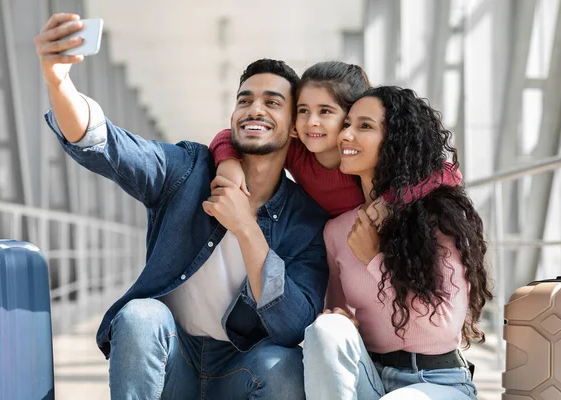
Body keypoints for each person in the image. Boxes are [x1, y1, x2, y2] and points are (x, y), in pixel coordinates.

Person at [34, 13, 329, 399]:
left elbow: (291, 327)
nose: (255, 109)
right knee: (140, 317)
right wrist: (58, 82)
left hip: (240, 368)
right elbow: (107, 145)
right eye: (246, 100)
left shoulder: (306, 220)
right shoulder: (188, 170)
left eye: (272, 102)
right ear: (233, 116)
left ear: (293, 126)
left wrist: (246, 228)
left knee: (284, 365)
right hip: (173, 355)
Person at [302, 86, 492, 400]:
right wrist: (337, 316)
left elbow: (444, 327)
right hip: (369, 377)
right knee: (326, 329)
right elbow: (337, 314)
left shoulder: (437, 219)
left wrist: (375, 260)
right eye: (346, 125)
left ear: (395, 140)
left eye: (364, 126)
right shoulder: (337, 231)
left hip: (437, 381)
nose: (347, 135)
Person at [209, 61, 462, 219]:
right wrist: (228, 163)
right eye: (303, 111)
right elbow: (229, 134)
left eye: (325, 111)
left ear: (350, 116)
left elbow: (450, 174)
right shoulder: (297, 150)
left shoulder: (361, 158)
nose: (312, 122)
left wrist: (390, 202)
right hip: (325, 239)